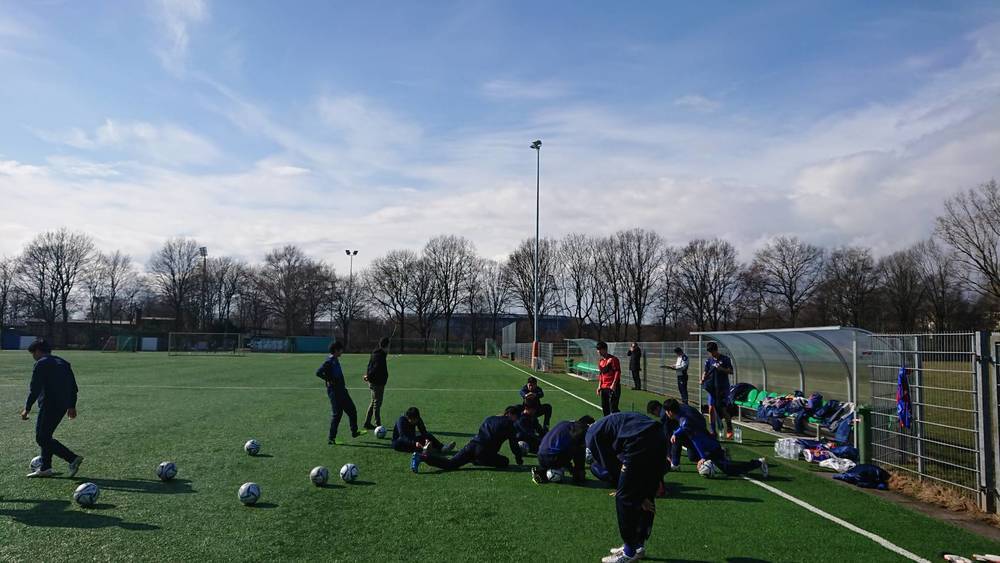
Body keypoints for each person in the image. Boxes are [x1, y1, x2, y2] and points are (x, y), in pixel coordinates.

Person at [586, 412, 668, 563]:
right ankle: (638, 546)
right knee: (647, 494)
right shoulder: (609, 424)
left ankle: (629, 552)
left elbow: (612, 466)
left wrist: (627, 489)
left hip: (640, 440)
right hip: (660, 436)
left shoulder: (592, 435)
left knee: (624, 497)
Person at [20, 339, 84, 478]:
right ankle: (45, 468)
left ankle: (72, 458)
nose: (33, 357)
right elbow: (73, 387)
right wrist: (71, 406)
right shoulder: (63, 363)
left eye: (33, 353)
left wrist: (27, 408)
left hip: (49, 404)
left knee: (41, 438)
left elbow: (35, 389)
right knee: (46, 436)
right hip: (62, 405)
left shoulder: (41, 363)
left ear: (38, 351)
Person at [663, 398, 767, 478]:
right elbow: (697, 421)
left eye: (666, 411)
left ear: (670, 412)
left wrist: (703, 457)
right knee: (688, 452)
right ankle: (675, 464)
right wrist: (676, 433)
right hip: (705, 439)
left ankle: (758, 463)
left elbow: (696, 440)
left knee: (728, 469)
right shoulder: (682, 409)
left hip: (710, 446)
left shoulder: (686, 422)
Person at [411, 406, 524, 473]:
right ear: (510, 414)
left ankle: (422, 457)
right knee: (505, 462)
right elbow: (514, 445)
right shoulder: (510, 425)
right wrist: (519, 459)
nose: (516, 420)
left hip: (472, 445)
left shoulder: (490, 418)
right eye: (516, 417)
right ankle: (477, 460)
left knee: (450, 463)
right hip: (483, 452)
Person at [316, 341, 365, 444]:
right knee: (337, 414)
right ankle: (331, 438)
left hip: (342, 390)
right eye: (340, 349)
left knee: (352, 410)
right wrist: (329, 379)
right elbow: (318, 372)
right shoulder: (329, 361)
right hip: (334, 392)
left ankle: (354, 432)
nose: (342, 351)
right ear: (336, 350)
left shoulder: (335, 360)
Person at [531, 415, 595, 485]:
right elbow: (578, 452)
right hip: (553, 457)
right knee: (577, 448)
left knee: (562, 448)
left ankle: (541, 471)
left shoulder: (564, 423)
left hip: (540, 454)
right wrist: (578, 470)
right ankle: (577, 475)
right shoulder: (581, 429)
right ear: (588, 425)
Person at [649, 399, 705, 469]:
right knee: (692, 456)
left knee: (676, 438)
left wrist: (669, 455)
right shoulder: (681, 408)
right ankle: (705, 458)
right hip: (699, 429)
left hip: (695, 432)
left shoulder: (666, 416)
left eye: (653, 413)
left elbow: (668, 435)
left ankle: (675, 464)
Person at [701, 342, 734, 439]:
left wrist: (721, 369)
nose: (711, 354)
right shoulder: (709, 360)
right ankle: (713, 431)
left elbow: (731, 371)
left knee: (722, 409)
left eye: (712, 352)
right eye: (709, 352)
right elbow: (705, 371)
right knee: (711, 408)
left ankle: (729, 428)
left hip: (723, 388)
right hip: (712, 388)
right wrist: (702, 378)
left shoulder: (725, 359)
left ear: (716, 350)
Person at [363, 337, 390, 430]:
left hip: (374, 382)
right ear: (386, 346)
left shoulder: (377, 353)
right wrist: (368, 376)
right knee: (377, 404)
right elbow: (375, 368)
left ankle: (367, 423)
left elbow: (369, 366)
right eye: (388, 346)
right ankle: (378, 425)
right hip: (377, 383)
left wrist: (368, 376)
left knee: (373, 402)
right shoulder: (380, 356)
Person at [595, 341, 621, 416]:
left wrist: (614, 384)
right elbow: (601, 374)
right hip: (604, 388)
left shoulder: (613, 359)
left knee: (613, 408)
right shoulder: (601, 361)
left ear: (605, 349)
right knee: (605, 407)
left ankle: (618, 421)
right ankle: (607, 422)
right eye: (597, 350)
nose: (598, 351)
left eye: (600, 349)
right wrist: (599, 386)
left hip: (612, 387)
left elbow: (617, 372)